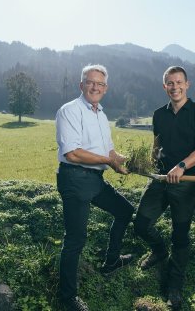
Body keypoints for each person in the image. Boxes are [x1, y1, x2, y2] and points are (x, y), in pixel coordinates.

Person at [55, 64, 135, 311]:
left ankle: (111, 261)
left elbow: (108, 151)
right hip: (74, 179)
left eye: (100, 84)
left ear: (105, 88)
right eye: (90, 82)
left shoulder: (101, 114)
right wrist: (109, 161)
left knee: (124, 211)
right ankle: (67, 297)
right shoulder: (69, 110)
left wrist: (125, 161)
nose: (95, 87)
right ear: (81, 85)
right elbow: (73, 153)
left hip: (95, 181)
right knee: (76, 238)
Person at [133, 66, 195, 309]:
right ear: (164, 86)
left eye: (179, 82)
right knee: (141, 224)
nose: (175, 86)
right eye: (170, 83)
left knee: (180, 234)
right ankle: (159, 251)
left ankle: (175, 286)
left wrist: (181, 166)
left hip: (185, 184)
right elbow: (156, 148)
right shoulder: (158, 114)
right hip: (159, 180)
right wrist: (146, 165)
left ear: (187, 85)